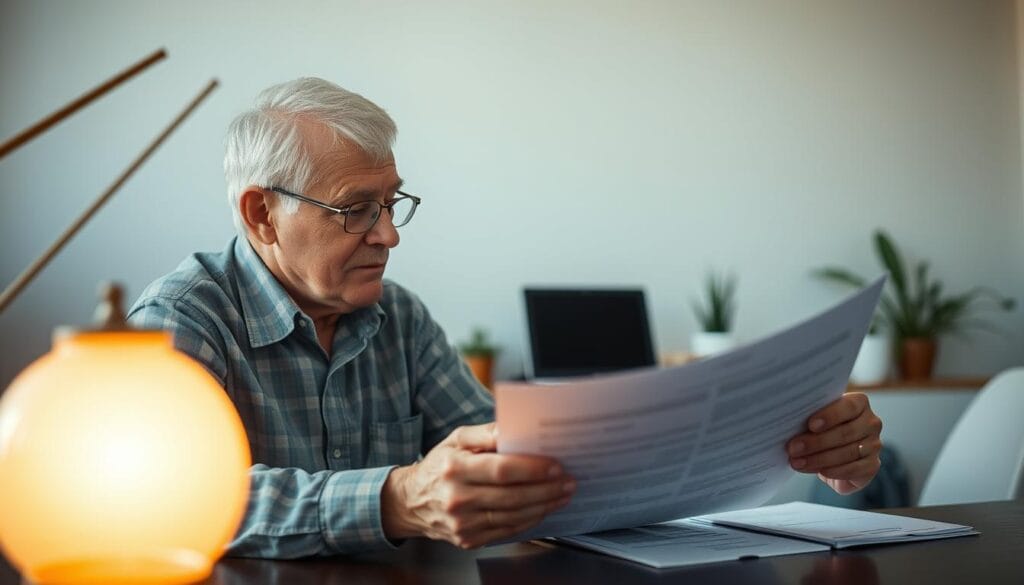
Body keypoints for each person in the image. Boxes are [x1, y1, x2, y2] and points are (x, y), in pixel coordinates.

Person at [128, 77, 884, 558]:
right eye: (358, 209)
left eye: (393, 203)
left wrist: (790, 439)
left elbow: (529, 463)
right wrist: (396, 498)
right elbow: (172, 499)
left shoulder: (400, 317)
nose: (389, 233)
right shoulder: (179, 320)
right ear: (261, 213)